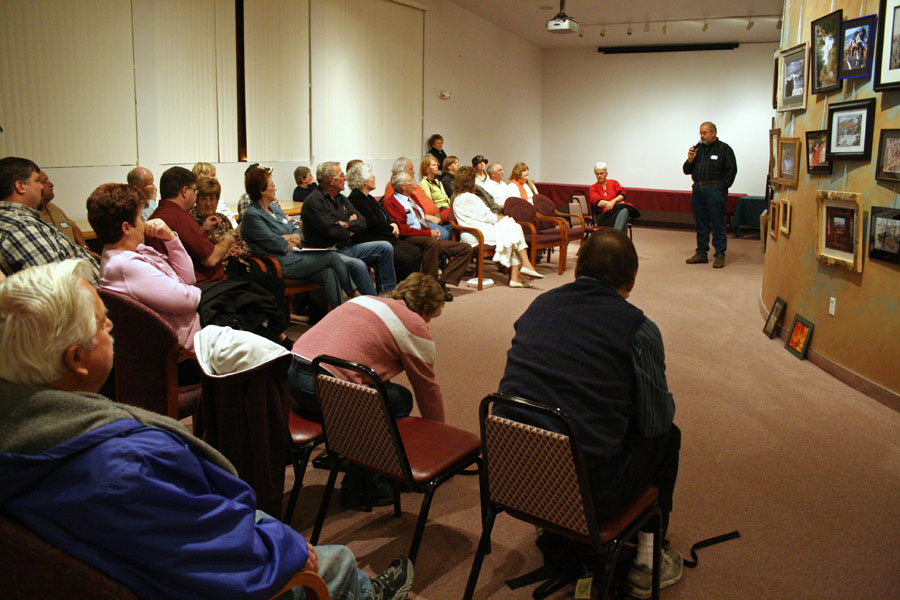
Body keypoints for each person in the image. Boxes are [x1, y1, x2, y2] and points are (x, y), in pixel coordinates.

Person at [0, 259, 414, 600]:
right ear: (77, 358)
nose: (112, 328)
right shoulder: (124, 465)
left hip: (134, 560)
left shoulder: (20, 434)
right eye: (103, 323)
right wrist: (287, 546)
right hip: (206, 582)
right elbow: (222, 550)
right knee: (338, 559)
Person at [497, 229, 682, 599]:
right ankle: (647, 560)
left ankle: (552, 523)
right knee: (668, 436)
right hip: (585, 491)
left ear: (577, 270)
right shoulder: (640, 331)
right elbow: (655, 421)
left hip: (510, 473)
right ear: (631, 282)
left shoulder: (538, 306)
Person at [289, 272, 446, 507]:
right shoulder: (414, 324)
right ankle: (366, 484)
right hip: (326, 387)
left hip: (292, 376)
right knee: (398, 400)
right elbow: (427, 388)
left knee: (384, 393)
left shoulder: (363, 300)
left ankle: (343, 450)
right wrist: (438, 435)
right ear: (426, 310)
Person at [87, 183, 201, 352]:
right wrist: (189, 288)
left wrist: (170, 238)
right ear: (126, 228)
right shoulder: (125, 266)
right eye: (140, 217)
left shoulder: (135, 250)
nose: (144, 222)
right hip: (189, 346)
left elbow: (188, 278)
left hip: (194, 327)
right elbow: (189, 301)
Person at [240, 167, 356, 309]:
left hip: (295, 255)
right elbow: (275, 243)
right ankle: (355, 295)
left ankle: (339, 313)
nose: (275, 189)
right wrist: (286, 239)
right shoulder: (252, 216)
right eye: (273, 185)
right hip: (278, 263)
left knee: (328, 272)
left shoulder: (275, 209)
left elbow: (298, 232)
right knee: (331, 257)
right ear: (262, 190)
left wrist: (290, 237)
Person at [301, 161, 396, 295]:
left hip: (346, 247)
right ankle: (374, 303)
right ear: (331, 180)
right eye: (341, 175)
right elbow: (332, 232)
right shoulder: (314, 201)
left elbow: (362, 222)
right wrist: (349, 227)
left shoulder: (341, 199)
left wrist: (344, 224)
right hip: (327, 253)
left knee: (385, 247)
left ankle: (387, 293)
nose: (345, 178)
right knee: (358, 265)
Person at [0, 156, 99, 281]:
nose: (41, 187)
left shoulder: (14, 220)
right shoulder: (22, 226)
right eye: (37, 181)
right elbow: (58, 286)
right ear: (20, 186)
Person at [383, 170, 473, 302]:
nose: (413, 183)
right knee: (432, 244)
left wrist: (432, 232)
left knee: (466, 249)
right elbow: (403, 229)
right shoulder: (391, 202)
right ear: (402, 186)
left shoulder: (413, 198)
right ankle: (431, 290)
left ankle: (442, 282)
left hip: (424, 235)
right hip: (408, 238)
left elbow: (422, 219)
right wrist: (428, 233)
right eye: (410, 181)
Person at [451, 166, 542, 288]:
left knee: (513, 229)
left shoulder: (458, 197)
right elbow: (489, 217)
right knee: (513, 227)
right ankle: (524, 266)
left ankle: (518, 275)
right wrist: (502, 218)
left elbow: (483, 216)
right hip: (477, 234)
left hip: (473, 231)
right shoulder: (470, 197)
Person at [346, 162, 422, 283]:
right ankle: (399, 291)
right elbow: (372, 223)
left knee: (416, 252)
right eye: (371, 176)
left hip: (385, 236)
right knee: (406, 258)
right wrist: (391, 228)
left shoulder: (368, 197)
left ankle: (411, 289)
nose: (374, 178)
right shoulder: (356, 199)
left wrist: (393, 224)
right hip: (372, 240)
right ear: (364, 181)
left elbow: (384, 216)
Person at [683, 121, 737, 269]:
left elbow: (731, 170)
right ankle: (701, 253)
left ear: (713, 133)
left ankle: (720, 254)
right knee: (700, 222)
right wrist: (690, 160)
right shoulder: (697, 149)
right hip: (698, 189)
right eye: (700, 133)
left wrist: (721, 187)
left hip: (715, 190)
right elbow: (686, 170)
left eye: (705, 133)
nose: (702, 136)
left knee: (717, 223)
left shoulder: (724, 149)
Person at [384, 157, 450, 240]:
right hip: (422, 222)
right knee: (444, 234)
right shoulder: (394, 187)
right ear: (401, 172)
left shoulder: (413, 185)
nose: (414, 172)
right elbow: (401, 214)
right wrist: (428, 217)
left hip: (434, 217)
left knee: (453, 227)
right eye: (411, 169)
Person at [37, 170, 92, 251]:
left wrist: (85, 248)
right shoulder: (31, 216)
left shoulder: (53, 208)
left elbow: (74, 227)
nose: (51, 184)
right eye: (45, 181)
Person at [192, 161, 237, 227]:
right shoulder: (194, 205)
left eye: (212, 199)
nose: (216, 178)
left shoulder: (220, 200)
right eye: (213, 175)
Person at [588, 162, 631, 232]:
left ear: (606, 174)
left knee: (624, 210)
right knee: (623, 217)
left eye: (601, 173)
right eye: (597, 174)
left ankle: (616, 236)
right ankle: (617, 236)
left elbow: (622, 195)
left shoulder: (614, 183)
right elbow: (599, 203)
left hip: (615, 212)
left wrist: (613, 202)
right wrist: (617, 203)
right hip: (603, 215)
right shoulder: (593, 188)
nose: (599, 176)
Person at [419, 155, 452, 220]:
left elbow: (445, 197)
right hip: (438, 212)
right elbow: (429, 203)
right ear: (427, 168)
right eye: (434, 165)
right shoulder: (424, 183)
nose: (437, 167)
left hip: (447, 208)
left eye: (437, 165)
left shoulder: (438, 181)